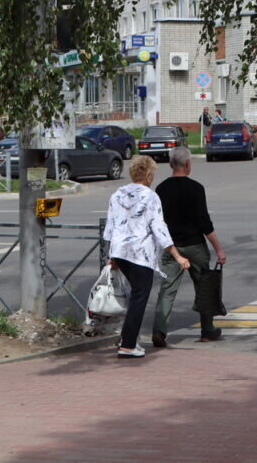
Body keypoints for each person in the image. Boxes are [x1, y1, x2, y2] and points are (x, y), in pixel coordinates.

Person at [102, 155, 190, 358]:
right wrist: (177, 256)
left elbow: (110, 227)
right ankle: (128, 344)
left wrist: (112, 256)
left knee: (135, 296)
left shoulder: (117, 194)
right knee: (139, 297)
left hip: (120, 252)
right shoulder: (150, 197)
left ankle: (127, 339)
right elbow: (159, 229)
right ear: (149, 175)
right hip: (140, 254)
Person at [151, 147, 228, 347]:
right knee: (204, 288)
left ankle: (159, 330)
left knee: (167, 290)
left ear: (170, 165)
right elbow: (204, 223)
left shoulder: (161, 189)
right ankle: (207, 331)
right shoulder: (196, 188)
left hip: (172, 249)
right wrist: (219, 249)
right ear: (187, 164)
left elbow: (159, 223)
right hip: (195, 246)